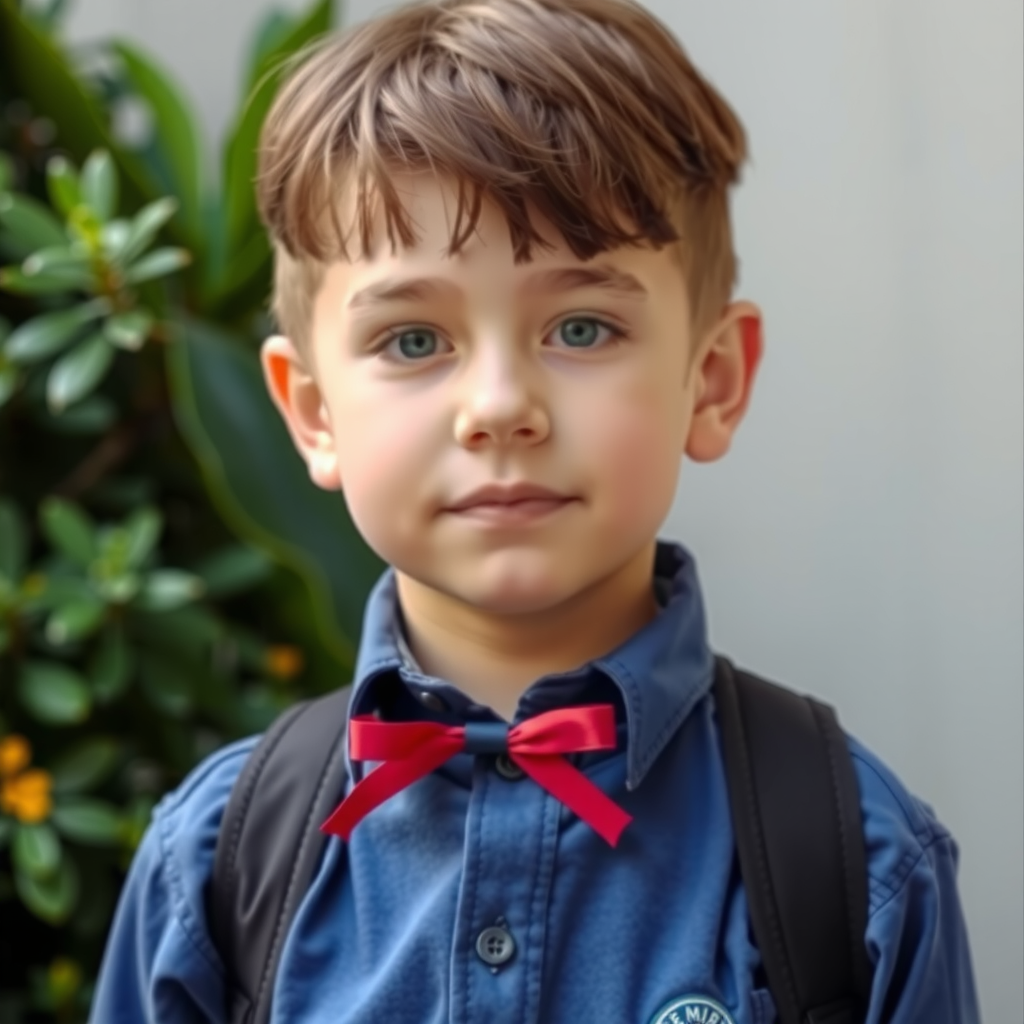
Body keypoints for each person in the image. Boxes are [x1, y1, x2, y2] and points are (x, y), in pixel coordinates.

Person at [89, 0, 980, 1020]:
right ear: (313, 411)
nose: (501, 406)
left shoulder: (855, 861)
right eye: (414, 341)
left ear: (714, 379)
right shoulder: (214, 866)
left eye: (582, 326)